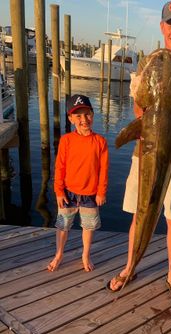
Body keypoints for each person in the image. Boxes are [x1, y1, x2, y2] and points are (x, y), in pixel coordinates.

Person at [107, 1, 171, 301]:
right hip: (147, 152)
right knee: (140, 213)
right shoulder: (146, 62)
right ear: (162, 27)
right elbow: (141, 112)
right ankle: (130, 267)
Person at [47, 94, 109, 272]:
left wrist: (101, 191)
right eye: (78, 116)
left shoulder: (100, 142)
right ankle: (59, 254)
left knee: (88, 226)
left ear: (93, 115)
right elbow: (59, 167)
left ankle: (86, 254)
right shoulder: (66, 140)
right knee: (63, 224)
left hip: (90, 193)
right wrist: (59, 191)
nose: (84, 119)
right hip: (68, 193)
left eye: (87, 114)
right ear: (70, 118)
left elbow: (103, 170)